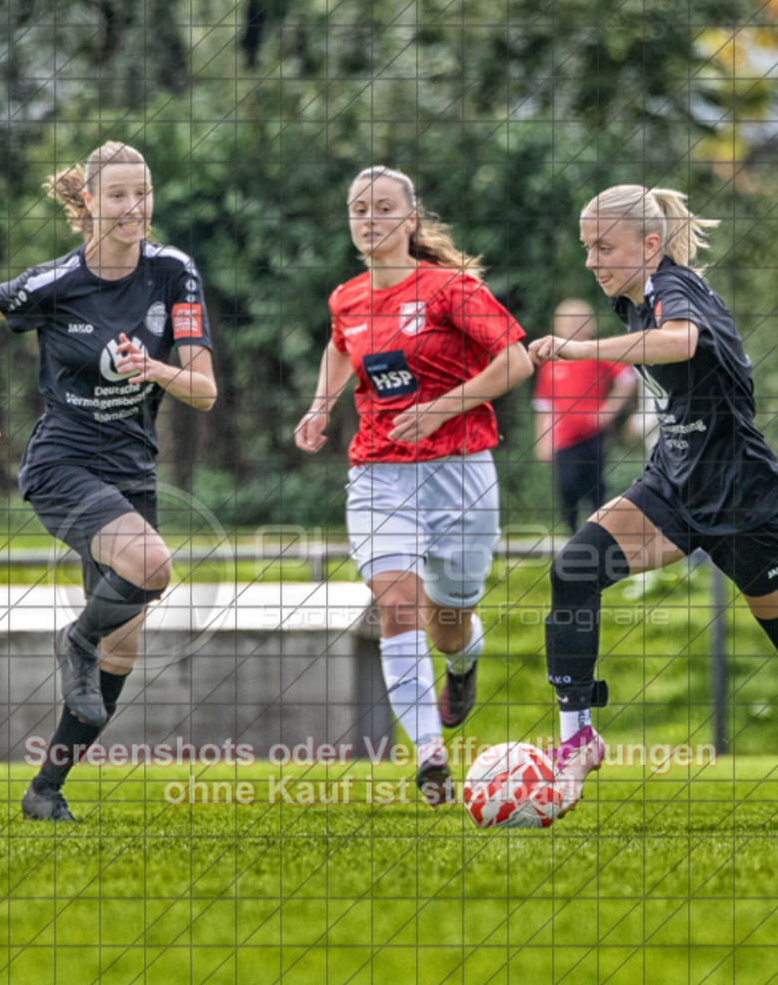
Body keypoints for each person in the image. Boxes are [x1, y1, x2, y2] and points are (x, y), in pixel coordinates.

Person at [0, 141, 217, 821]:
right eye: (117, 195)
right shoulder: (56, 283)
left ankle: (45, 791)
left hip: (130, 472)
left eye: (143, 193)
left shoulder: (174, 274)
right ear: (89, 203)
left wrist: (156, 371)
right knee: (152, 566)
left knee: (122, 649)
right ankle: (75, 637)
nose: (134, 208)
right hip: (62, 465)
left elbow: (205, 392)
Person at [529, 184, 778, 818]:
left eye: (603, 246)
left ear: (648, 244)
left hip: (743, 497)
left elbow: (682, 342)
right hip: (671, 485)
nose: (592, 261)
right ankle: (577, 739)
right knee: (573, 570)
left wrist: (581, 350)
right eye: (587, 247)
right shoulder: (633, 300)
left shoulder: (675, 289)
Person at [294, 165, 533, 806]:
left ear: (410, 218)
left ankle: (462, 660)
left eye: (382, 208)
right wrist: (321, 406)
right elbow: (342, 347)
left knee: (447, 618)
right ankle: (429, 756)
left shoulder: (450, 288)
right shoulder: (346, 297)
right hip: (379, 469)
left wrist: (445, 406)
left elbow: (518, 358)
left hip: (461, 471)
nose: (369, 219)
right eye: (358, 209)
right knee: (396, 604)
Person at [533, 299, 637, 532]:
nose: (574, 326)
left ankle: (598, 534)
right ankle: (571, 536)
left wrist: (608, 411)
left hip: (591, 436)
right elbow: (544, 406)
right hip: (563, 439)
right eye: (568, 322)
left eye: (580, 322)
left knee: (595, 487)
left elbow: (628, 378)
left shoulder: (595, 353)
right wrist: (543, 440)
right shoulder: (551, 362)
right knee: (566, 487)